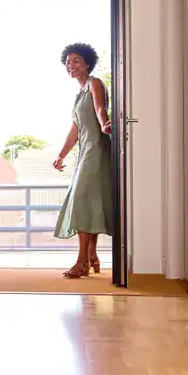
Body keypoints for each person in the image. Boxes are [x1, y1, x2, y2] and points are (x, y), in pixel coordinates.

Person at [52, 42, 115, 278]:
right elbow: (75, 130)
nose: (71, 65)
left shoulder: (94, 83)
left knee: (80, 200)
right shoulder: (78, 94)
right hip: (85, 150)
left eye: (76, 60)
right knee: (89, 201)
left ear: (87, 63)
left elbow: (100, 108)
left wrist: (104, 125)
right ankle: (92, 256)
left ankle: (81, 262)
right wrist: (61, 155)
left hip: (97, 148)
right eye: (68, 62)